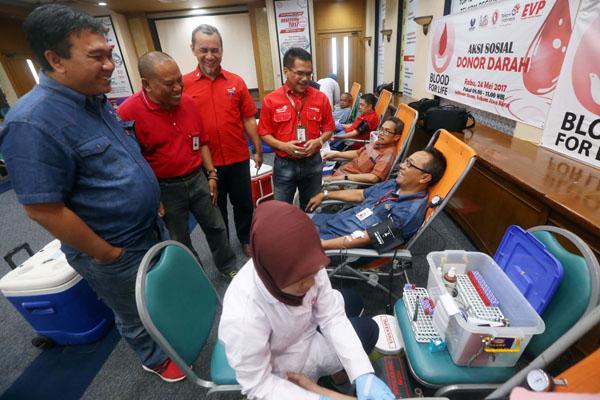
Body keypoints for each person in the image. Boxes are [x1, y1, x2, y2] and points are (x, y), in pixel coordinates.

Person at [0, 5, 185, 382]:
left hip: (148, 227)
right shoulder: (31, 122)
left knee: (156, 297)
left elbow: (126, 158)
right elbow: (43, 210)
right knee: (132, 311)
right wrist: (106, 253)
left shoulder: (96, 101)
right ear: (55, 59)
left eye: (110, 55)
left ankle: (169, 335)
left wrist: (152, 198)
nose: (109, 65)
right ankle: (153, 357)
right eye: (96, 56)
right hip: (113, 247)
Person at [218, 201, 394, 400]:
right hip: (284, 361)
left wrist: (362, 373)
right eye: (301, 280)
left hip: (304, 330)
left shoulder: (299, 261)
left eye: (314, 271)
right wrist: (317, 397)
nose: (312, 283)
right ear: (273, 278)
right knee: (368, 329)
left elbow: (331, 315)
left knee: (353, 300)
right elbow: (258, 384)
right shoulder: (243, 316)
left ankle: (334, 375)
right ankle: (326, 380)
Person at [117, 51, 238, 279]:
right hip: (164, 188)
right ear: (147, 85)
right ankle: (196, 277)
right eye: (168, 83)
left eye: (179, 80)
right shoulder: (127, 112)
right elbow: (130, 163)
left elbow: (202, 141)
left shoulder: (188, 103)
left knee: (217, 227)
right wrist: (152, 195)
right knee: (178, 239)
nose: (178, 88)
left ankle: (227, 266)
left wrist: (212, 174)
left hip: (197, 178)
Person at [183, 24, 261, 259]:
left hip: (237, 156)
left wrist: (257, 148)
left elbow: (248, 119)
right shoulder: (183, 85)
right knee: (215, 209)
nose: (210, 56)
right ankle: (224, 245)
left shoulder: (236, 82)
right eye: (203, 50)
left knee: (244, 204)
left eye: (215, 50)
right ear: (193, 49)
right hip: (206, 163)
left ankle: (246, 239)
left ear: (222, 50)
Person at [307, 148, 447, 249]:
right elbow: (361, 195)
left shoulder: (407, 214)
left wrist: (322, 245)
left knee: (288, 245)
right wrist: (325, 195)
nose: (401, 166)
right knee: (290, 220)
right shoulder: (395, 183)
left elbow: (364, 238)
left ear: (424, 177)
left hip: (337, 244)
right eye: (406, 161)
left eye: (409, 164)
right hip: (332, 222)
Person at [258, 48, 336, 210]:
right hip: (284, 164)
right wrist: (283, 146)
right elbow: (264, 133)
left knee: (311, 208)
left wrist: (319, 141)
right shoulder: (271, 100)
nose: (305, 79)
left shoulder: (320, 98)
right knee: (283, 212)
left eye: (309, 74)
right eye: (300, 73)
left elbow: (329, 129)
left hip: (313, 163)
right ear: (286, 71)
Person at [323, 117, 405, 184]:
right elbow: (357, 153)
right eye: (381, 129)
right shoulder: (377, 143)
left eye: (386, 131)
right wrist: (334, 155)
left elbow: (374, 178)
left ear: (396, 137)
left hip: (347, 183)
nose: (381, 133)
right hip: (339, 173)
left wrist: (345, 177)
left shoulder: (388, 153)